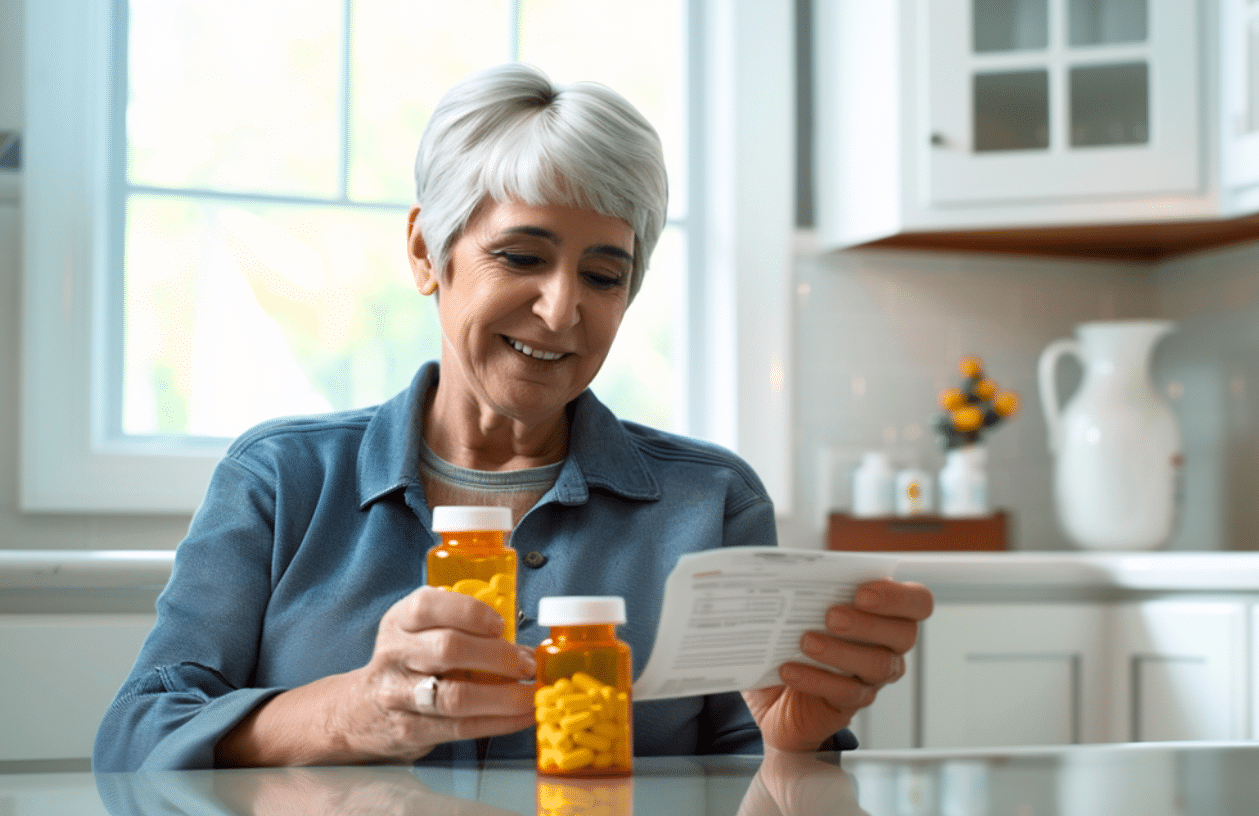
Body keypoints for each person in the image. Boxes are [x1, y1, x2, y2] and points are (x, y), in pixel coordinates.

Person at [92, 63, 933, 771]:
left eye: (603, 275)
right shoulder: (282, 479)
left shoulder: (710, 503)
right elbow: (136, 737)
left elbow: (762, 781)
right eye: (521, 255)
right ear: (426, 252)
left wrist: (792, 749)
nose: (562, 309)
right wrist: (355, 711)